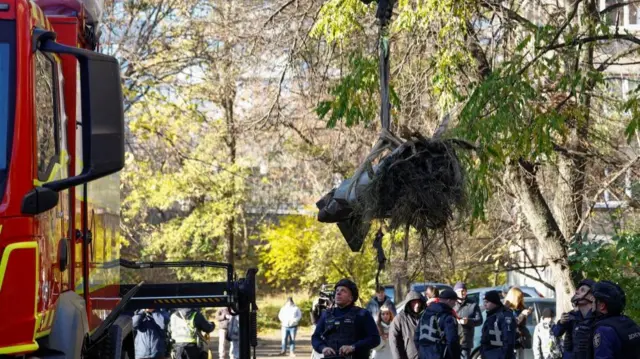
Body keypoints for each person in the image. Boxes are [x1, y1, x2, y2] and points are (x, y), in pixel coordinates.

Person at [312, 279, 381, 359]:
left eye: (343, 291)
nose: (338, 293)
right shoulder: (326, 315)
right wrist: (323, 348)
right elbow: (315, 337)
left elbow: (375, 339)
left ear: (351, 297)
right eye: (337, 290)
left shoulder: (362, 314)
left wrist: (353, 347)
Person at [590, 280, 640, 358]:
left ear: (602, 306)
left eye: (593, 301)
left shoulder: (603, 330)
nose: (592, 304)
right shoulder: (628, 321)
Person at [551, 279, 595, 359]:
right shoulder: (570, 316)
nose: (577, 292)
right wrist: (561, 323)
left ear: (592, 297)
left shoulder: (598, 318)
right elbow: (556, 333)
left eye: (582, 290)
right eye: (578, 290)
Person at [414, 289, 461, 359]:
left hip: (423, 354)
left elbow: (416, 337)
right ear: (449, 300)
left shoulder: (425, 314)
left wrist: (422, 351)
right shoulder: (448, 317)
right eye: (454, 302)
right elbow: (452, 341)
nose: (455, 304)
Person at [480, 290, 516, 359]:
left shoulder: (504, 316)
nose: (485, 304)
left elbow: (508, 341)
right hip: (489, 355)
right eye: (484, 302)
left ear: (495, 302)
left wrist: (504, 356)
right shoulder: (491, 315)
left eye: (487, 302)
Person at [389, 291, 424, 359]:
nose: (417, 305)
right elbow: (393, 341)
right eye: (414, 302)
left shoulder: (425, 317)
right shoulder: (399, 319)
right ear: (408, 303)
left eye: (418, 302)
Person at [452, 282, 483, 359]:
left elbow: (479, 320)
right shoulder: (451, 303)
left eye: (463, 291)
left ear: (466, 291)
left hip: (466, 341)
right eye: (459, 291)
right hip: (452, 340)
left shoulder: (473, 304)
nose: (461, 293)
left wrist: (468, 321)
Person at [505, 287, 533, 358]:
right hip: (511, 341)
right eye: (519, 298)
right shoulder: (506, 309)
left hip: (521, 341)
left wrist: (526, 313)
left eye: (521, 298)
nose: (520, 299)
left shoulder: (521, 308)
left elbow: (521, 324)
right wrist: (522, 315)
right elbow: (513, 323)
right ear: (514, 297)